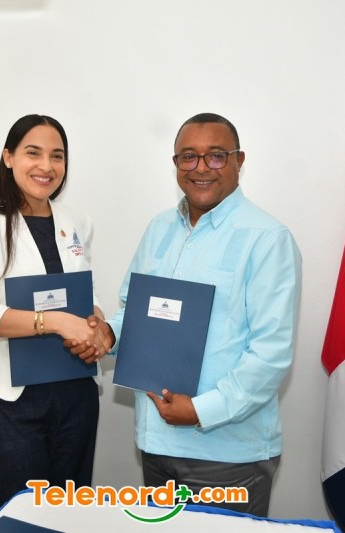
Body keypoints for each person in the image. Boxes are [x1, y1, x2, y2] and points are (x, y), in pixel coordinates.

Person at [71, 112, 302, 516]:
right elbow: (135, 312)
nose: (201, 168)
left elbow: (270, 354)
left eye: (215, 156)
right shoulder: (160, 228)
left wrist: (200, 411)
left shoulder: (267, 239)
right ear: (175, 163)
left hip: (227, 456)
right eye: (188, 157)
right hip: (156, 446)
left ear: (239, 160)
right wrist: (109, 334)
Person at [0, 114, 112, 520]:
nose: (46, 166)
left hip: (74, 391)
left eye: (57, 156)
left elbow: (84, 294)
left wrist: (95, 325)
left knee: (69, 515)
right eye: (33, 153)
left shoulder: (77, 221)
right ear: (8, 157)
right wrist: (54, 322)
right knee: (17, 517)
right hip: (9, 397)